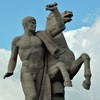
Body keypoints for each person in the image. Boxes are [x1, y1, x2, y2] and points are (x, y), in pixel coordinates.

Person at [3, 3, 68, 100]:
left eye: (35, 23)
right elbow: (13, 58)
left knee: (39, 98)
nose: (35, 25)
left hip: (41, 71)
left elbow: (61, 27)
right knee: (32, 97)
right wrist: (10, 70)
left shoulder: (41, 36)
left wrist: (55, 11)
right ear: (25, 24)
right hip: (27, 71)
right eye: (32, 23)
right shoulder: (17, 40)